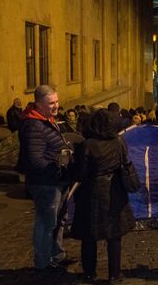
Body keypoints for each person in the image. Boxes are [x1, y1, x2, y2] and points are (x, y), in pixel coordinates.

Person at [71, 109, 136, 283]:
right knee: (114, 235)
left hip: (92, 192)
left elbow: (81, 173)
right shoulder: (119, 141)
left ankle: (89, 273)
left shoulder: (88, 144)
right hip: (114, 191)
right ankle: (114, 274)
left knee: (89, 235)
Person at [18, 85, 72, 271]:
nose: (56, 106)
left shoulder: (46, 119)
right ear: (38, 104)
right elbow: (35, 160)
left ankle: (56, 255)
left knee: (58, 220)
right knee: (46, 222)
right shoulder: (33, 126)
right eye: (51, 103)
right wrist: (58, 168)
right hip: (45, 183)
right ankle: (42, 261)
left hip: (56, 180)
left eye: (57, 101)